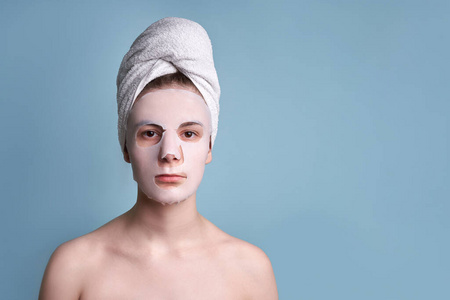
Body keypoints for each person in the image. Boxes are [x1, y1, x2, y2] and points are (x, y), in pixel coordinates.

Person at [39, 17, 278, 300]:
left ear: (210, 147)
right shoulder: (73, 267)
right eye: (150, 133)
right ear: (126, 148)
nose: (169, 153)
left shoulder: (250, 270)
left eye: (189, 134)